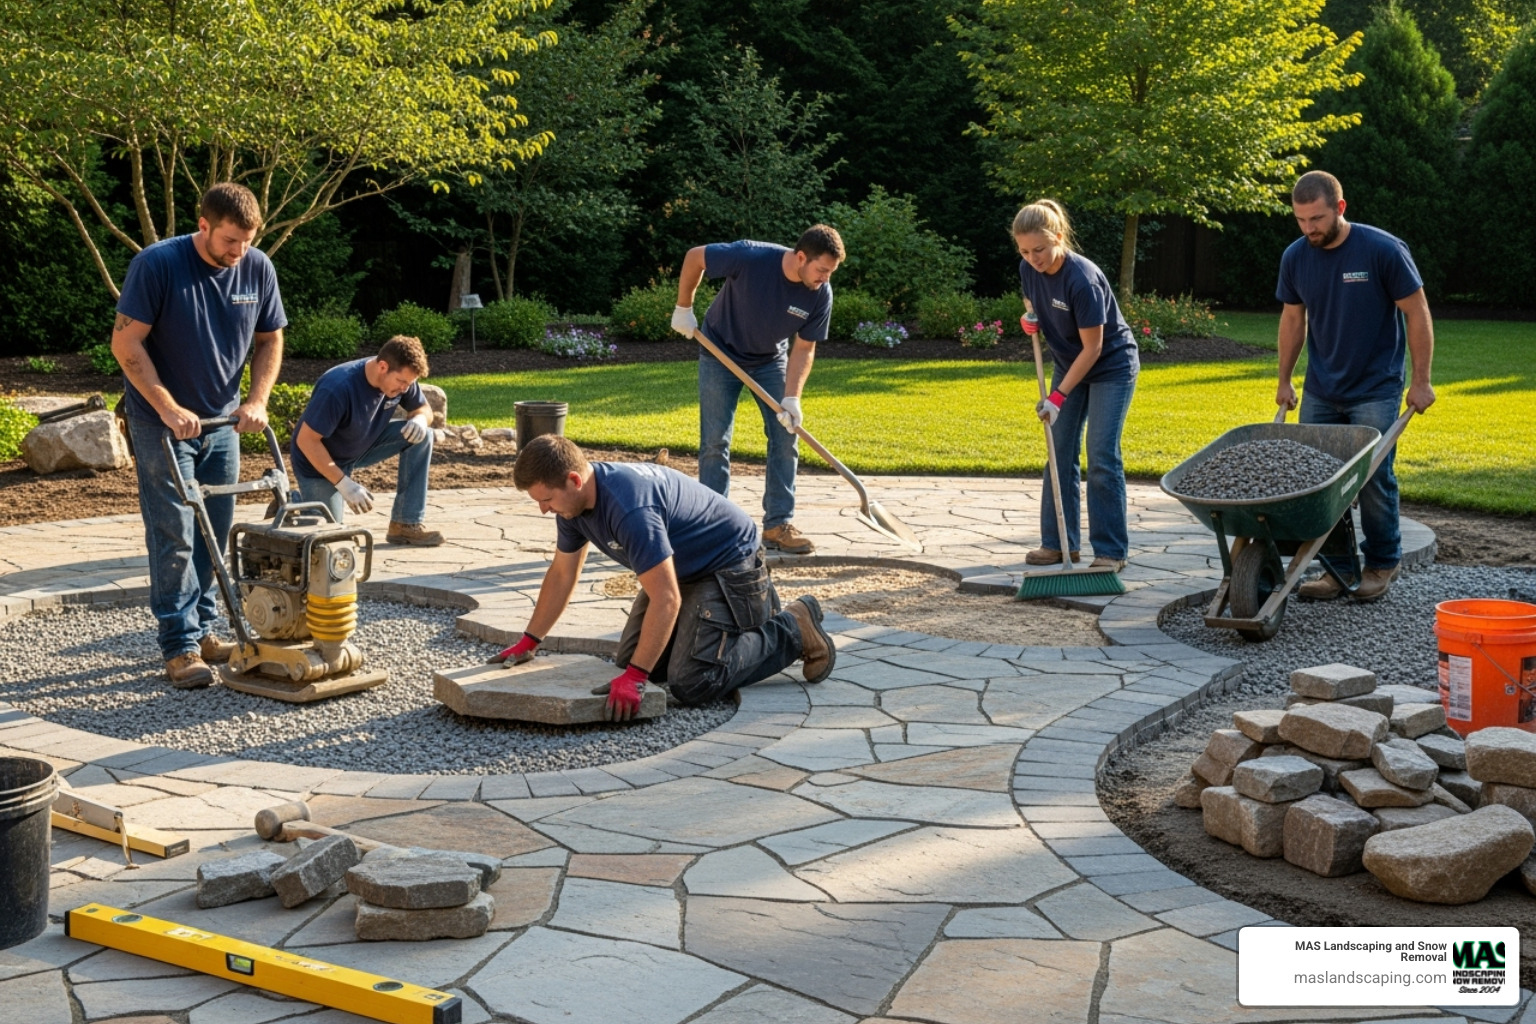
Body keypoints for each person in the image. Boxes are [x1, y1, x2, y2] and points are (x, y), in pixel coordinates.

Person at [496, 435, 835, 720]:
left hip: (730, 566)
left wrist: (636, 677)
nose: (544, 509)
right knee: (634, 663)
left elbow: (667, 598)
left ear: (574, 480)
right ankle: (708, 634)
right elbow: (562, 573)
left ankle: (793, 627)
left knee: (693, 681)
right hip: (682, 568)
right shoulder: (573, 506)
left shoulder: (631, 509)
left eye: (546, 499)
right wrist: (531, 640)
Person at [111, 182, 286, 689]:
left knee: (215, 530)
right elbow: (125, 344)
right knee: (175, 534)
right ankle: (180, 645)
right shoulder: (157, 265)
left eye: (248, 241)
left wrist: (257, 401)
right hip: (161, 423)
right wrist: (168, 408)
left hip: (222, 423)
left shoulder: (258, 268)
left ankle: (206, 629)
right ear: (203, 225)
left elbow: (270, 338)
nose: (239, 252)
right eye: (230, 240)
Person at [1277, 170, 1435, 603]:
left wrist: (1421, 380)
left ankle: (1382, 561)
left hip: (1376, 387)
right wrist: (1285, 379)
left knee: (1372, 477)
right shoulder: (1296, 257)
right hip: (1321, 388)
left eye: (1317, 218)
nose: (1309, 229)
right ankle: (1338, 568)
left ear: (1340, 208)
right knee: (1320, 480)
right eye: (1301, 220)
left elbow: (1417, 311)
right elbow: (1293, 319)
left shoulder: (1382, 249)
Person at [669, 226, 844, 555]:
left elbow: (804, 348)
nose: (825, 278)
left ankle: (778, 525)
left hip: (768, 360)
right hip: (719, 352)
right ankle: (714, 525)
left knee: (786, 434)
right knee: (715, 441)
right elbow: (695, 257)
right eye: (822, 270)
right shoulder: (751, 257)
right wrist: (683, 307)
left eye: (830, 272)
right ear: (801, 257)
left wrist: (792, 397)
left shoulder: (820, 294)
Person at [1012, 200, 1139, 572]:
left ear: (1058, 237)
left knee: (1101, 455)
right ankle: (1058, 544)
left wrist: (1057, 396)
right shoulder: (1028, 268)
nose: (1033, 258)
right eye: (1024, 251)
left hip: (1110, 367)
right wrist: (1030, 317)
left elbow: (1093, 348)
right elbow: (1033, 300)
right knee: (1059, 450)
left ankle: (1111, 551)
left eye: (1039, 249)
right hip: (1070, 364)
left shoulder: (1082, 279)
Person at [290, 335, 443, 546]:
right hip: (318, 461)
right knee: (328, 541)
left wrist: (420, 419)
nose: (405, 389)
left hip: (362, 445)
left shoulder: (401, 379)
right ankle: (292, 504)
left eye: (409, 384)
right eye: (401, 382)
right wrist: (344, 484)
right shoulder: (338, 388)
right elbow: (306, 441)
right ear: (383, 367)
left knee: (423, 436)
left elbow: (423, 409)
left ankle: (405, 524)